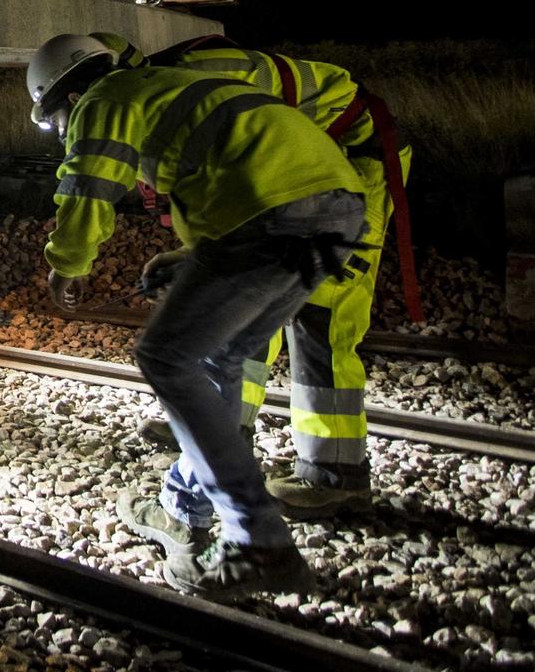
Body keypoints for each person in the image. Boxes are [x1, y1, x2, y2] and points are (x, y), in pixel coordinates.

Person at [26, 33, 367, 598]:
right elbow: (239, 169)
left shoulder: (105, 98)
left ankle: (258, 538)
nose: (60, 131)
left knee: (164, 356)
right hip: (337, 207)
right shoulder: (169, 87)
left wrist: (68, 264)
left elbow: (89, 184)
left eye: (53, 121)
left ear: (65, 93)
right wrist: (190, 256)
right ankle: (202, 513)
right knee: (221, 357)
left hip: (270, 216)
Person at [73, 33, 413, 518]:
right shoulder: (166, 87)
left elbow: (260, 169)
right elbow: (232, 191)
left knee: (321, 312)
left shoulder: (199, 76)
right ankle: (224, 426)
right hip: (305, 177)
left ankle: (336, 475)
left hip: (354, 161)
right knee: (240, 299)